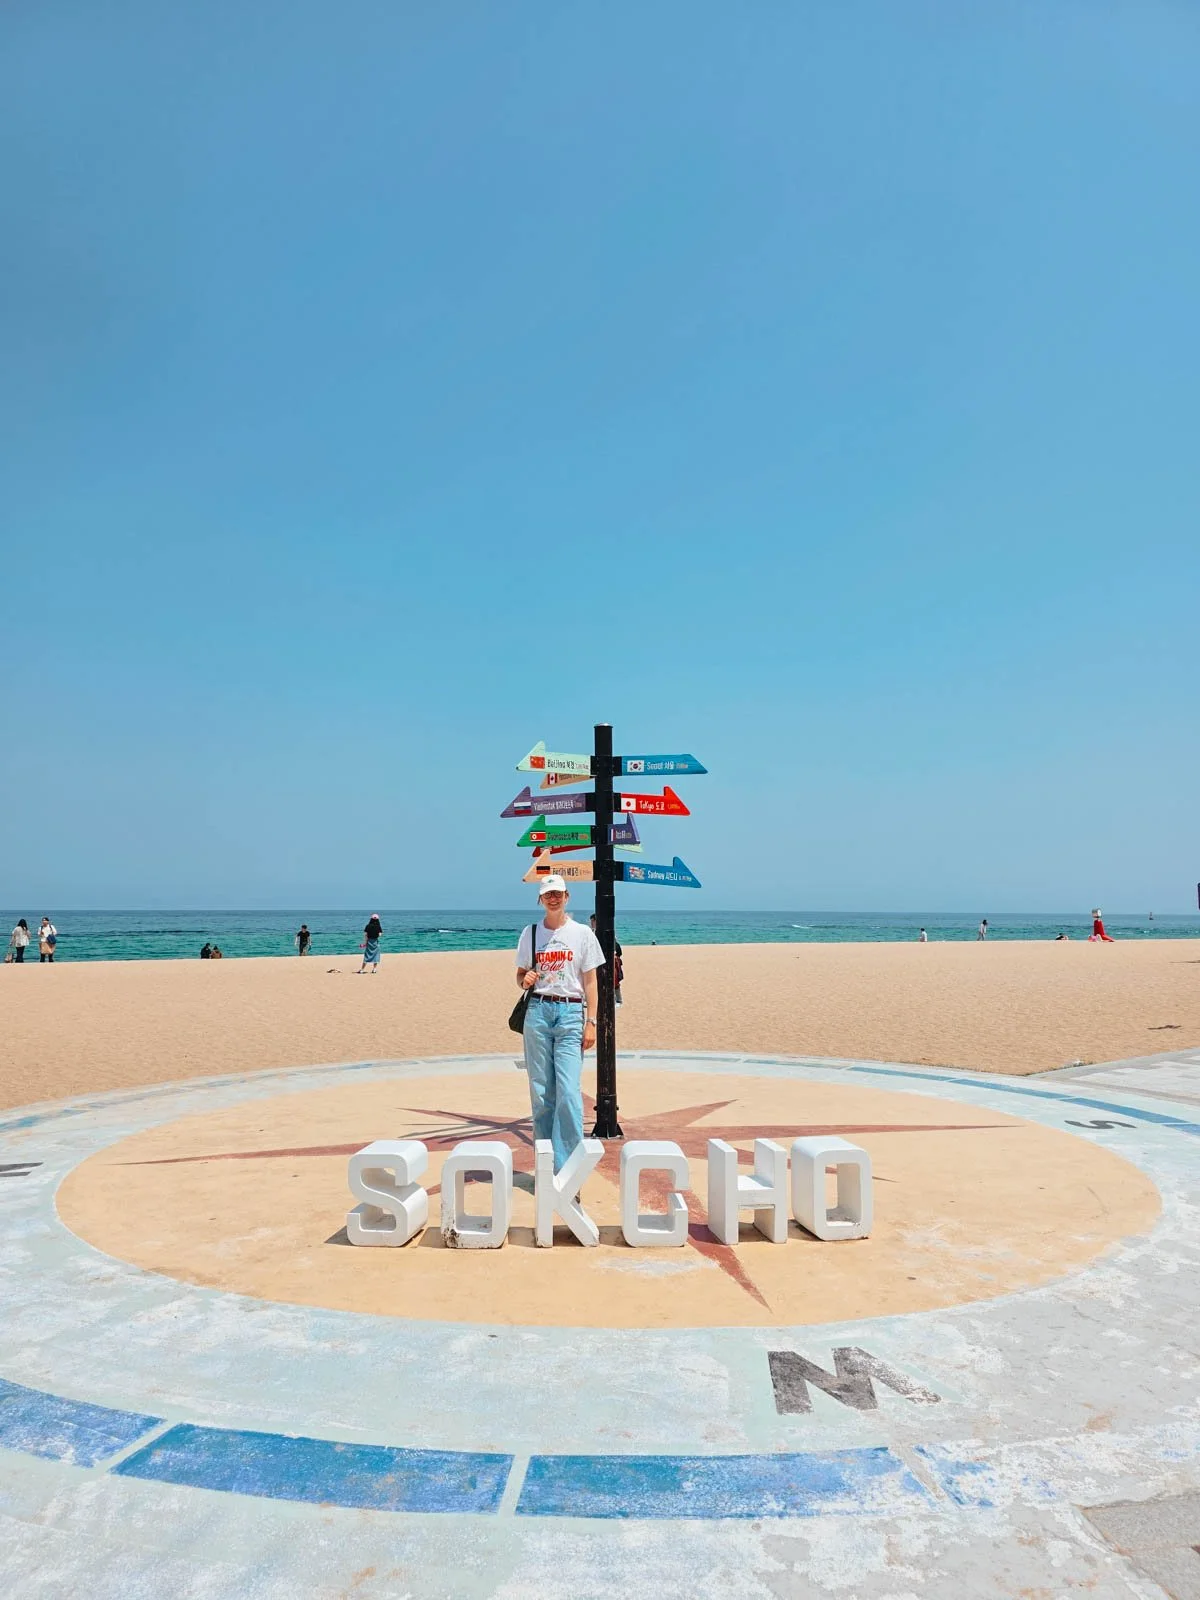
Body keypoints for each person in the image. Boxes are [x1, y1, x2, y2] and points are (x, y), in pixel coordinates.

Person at [516, 876, 604, 1172]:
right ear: (540, 899)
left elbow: (591, 982)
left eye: (557, 893)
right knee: (541, 1093)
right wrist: (525, 979)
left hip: (570, 1013)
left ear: (567, 896)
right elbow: (520, 976)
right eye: (547, 894)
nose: (553, 898)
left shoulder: (582, 934)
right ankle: (546, 1167)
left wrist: (591, 1021)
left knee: (568, 1092)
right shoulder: (530, 933)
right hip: (538, 1011)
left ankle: (567, 1170)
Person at [590, 914, 624, 1004]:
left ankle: (617, 999)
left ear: (596, 921)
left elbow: (613, 946)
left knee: (612, 980)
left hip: (608, 959)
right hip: (601, 959)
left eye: (592, 921)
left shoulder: (601, 932)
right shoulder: (594, 932)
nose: (591, 923)